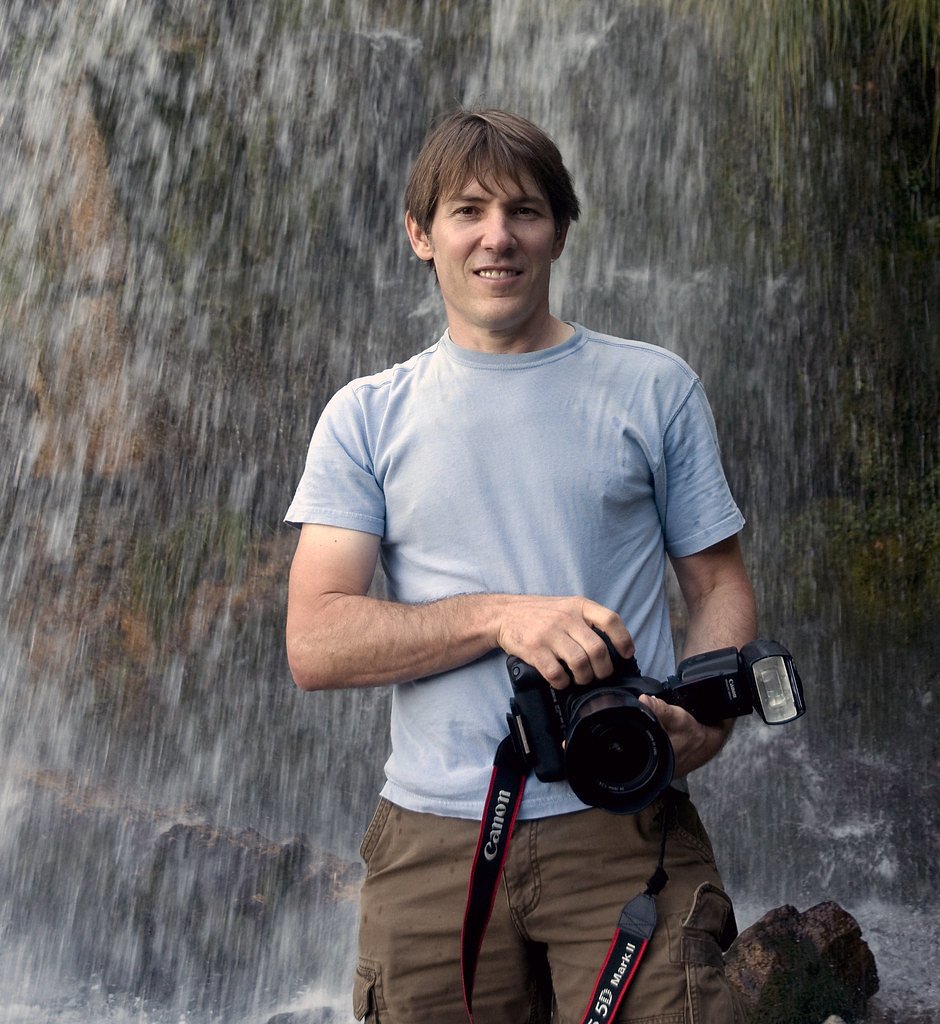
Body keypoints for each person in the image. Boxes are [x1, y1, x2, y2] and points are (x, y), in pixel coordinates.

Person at [285, 107, 757, 1024]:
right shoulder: (365, 416)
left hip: (624, 817)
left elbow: (718, 585)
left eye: (524, 211)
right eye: (467, 211)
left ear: (559, 230)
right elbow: (315, 640)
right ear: (420, 234)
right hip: (432, 843)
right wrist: (500, 616)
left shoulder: (654, 387)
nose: (496, 237)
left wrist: (706, 712)